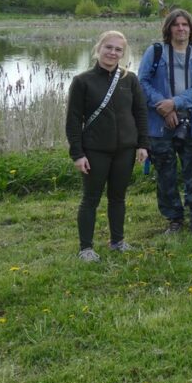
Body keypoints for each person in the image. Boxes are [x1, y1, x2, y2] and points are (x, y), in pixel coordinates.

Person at [66, 31, 149, 261]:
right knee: (90, 199)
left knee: (118, 197)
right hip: (95, 151)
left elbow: (140, 113)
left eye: (118, 49)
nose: (113, 53)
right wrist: (77, 154)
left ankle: (117, 242)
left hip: (125, 150)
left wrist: (143, 144)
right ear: (98, 49)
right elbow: (73, 121)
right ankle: (86, 248)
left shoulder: (129, 80)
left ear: (123, 53)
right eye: (108, 47)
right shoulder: (82, 81)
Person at [139, 9, 192, 233]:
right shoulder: (155, 52)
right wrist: (163, 107)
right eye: (176, 24)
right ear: (168, 28)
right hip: (159, 124)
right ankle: (174, 219)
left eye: (185, 24)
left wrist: (175, 103)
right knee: (166, 175)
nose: (180, 28)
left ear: (191, 28)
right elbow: (142, 83)